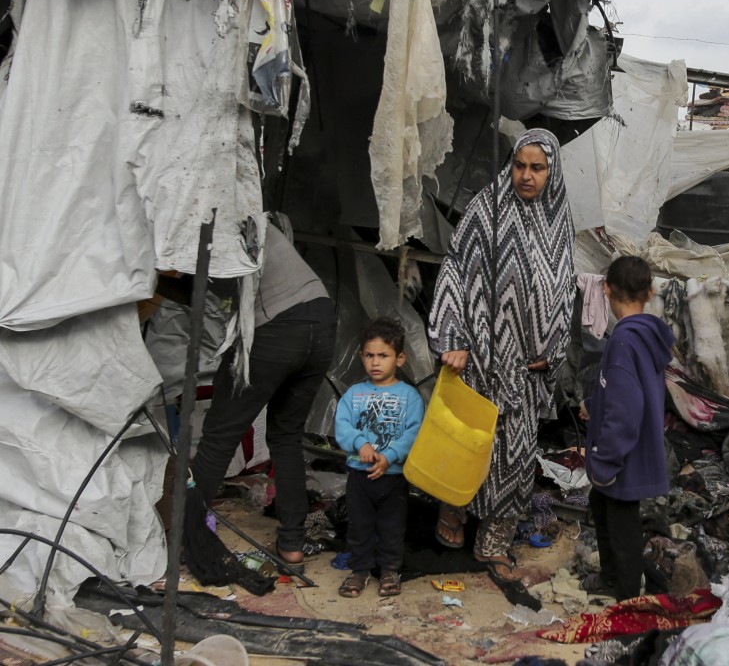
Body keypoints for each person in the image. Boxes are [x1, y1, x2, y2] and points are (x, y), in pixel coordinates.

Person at [428, 128, 575, 584]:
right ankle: (453, 509)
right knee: (468, 442)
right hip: (479, 360)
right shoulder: (486, 210)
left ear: (551, 173)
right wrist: (453, 336)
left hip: (525, 372)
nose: (526, 175)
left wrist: (552, 351)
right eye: (520, 165)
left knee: (515, 456)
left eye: (537, 168)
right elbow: (455, 270)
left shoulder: (559, 221)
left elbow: (565, 291)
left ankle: (492, 542)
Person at [189, 223, 336, 572]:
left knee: (218, 437)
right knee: (286, 436)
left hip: (278, 323)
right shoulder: (251, 216)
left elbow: (200, 286)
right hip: (321, 319)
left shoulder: (207, 219)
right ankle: (292, 544)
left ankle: (189, 539)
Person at [579, 256, 674, 601]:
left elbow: (626, 408)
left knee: (622, 528)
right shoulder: (647, 336)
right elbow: (627, 391)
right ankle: (611, 577)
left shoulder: (623, 341)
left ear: (606, 289)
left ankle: (627, 598)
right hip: (636, 447)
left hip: (623, 456)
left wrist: (606, 461)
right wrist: (594, 405)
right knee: (602, 507)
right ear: (649, 293)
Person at [335, 318, 423, 598]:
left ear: (400, 359)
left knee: (392, 527)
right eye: (369, 355)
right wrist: (360, 443)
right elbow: (342, 426)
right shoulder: (353, 394)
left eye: (383, 356)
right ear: (361, 356)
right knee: (359, 526)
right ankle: (359, 571)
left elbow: (413, 432)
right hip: (359, 475)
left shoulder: (410, 396)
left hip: (393, 477)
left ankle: (389, 571)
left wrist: (390, 456)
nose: (375, 362)